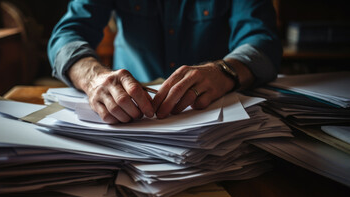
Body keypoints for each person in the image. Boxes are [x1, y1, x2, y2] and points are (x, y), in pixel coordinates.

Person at [48, 0, 282, 124]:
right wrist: (93, 78)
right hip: (130, 123)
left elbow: (263, 40)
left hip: (217, 116)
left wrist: (225, 71)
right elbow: (66, 34)